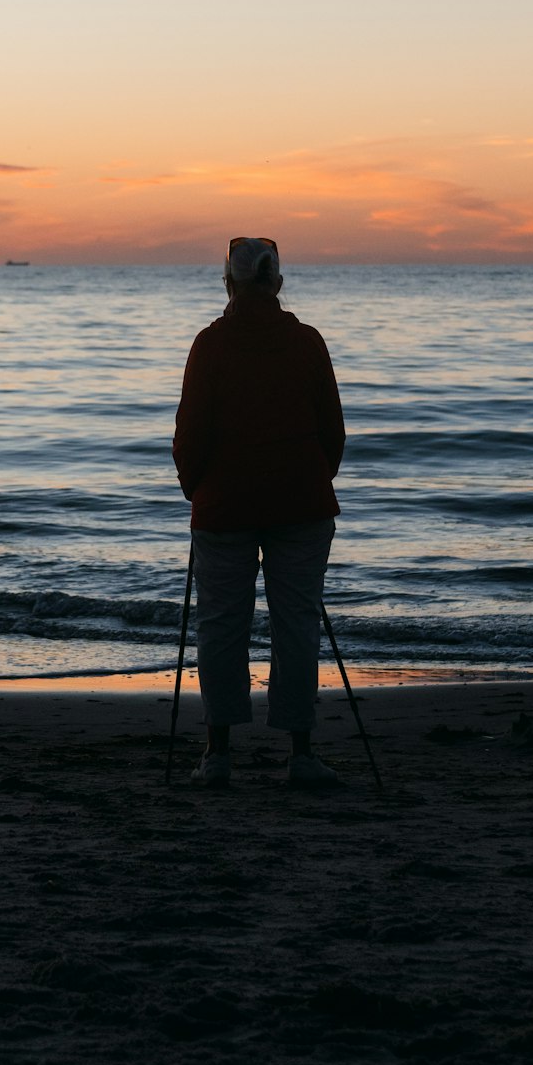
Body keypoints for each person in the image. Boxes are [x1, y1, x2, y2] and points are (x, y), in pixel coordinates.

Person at [172, 236, 346, 788]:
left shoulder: (211, 345)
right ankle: (301, 755)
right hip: (301, 503)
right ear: (277, 282)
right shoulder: (308, 343)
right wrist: (314, 480)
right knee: (297, 625)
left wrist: (194, 488)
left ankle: (218, 754)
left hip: (225, 506)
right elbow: (332, 434)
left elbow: (189, 436)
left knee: (222, 626)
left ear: (229, 282)